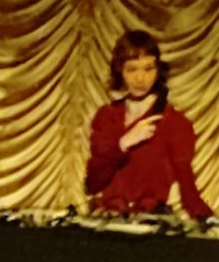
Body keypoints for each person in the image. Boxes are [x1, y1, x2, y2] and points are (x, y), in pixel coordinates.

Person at [84, 31, 211, 220]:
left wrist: (209, 223)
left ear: (157, 70)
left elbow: (187, 188)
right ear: (120, 70)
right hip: (108, 221)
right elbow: (92, 184)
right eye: (132, 69)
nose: (140, 79)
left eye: (148, 68)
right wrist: (123, 143)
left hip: (150, 222)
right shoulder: (106, 117)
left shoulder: (173, 122)